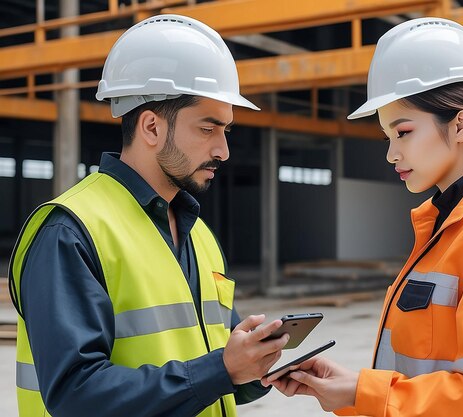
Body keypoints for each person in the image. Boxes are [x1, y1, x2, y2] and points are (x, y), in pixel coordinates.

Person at [265, 17, 463, 417]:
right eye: (387, 137)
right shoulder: (448, 228)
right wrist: (352, 390)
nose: (391, 154)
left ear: (460, 124)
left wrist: (365, 391)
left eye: (403, 132)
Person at [9, 14, 289, 417]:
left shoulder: (199, 235)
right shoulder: (70, 231)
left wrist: (255, 367)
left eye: (226, 131)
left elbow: (211, 370)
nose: (223, 151)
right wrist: (221, 369)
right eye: (208, 129)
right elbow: (75, 395)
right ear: (152, 127)